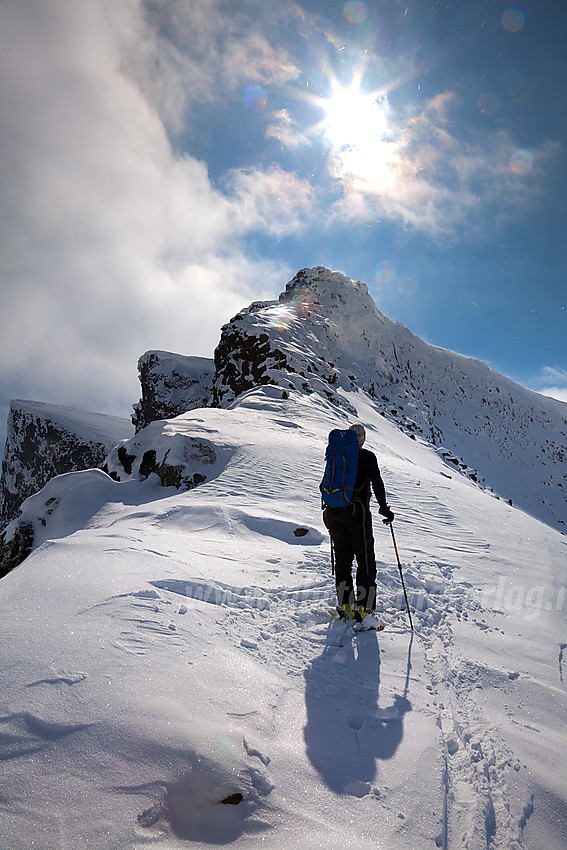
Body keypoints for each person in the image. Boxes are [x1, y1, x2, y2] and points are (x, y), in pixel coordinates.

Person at [322, 423, 394, 615]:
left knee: (343, 560)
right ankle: (365, 609)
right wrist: (384, 509)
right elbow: (377, 483)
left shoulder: (337, 456)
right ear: (361, 440)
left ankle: (345, 606)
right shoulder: (367, 457)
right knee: (365, 560)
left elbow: (323, 485)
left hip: (332, 513)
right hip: (357, 515)